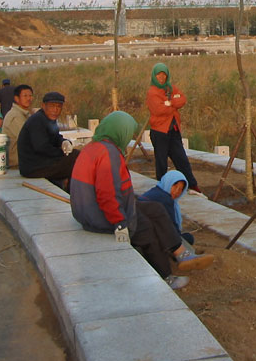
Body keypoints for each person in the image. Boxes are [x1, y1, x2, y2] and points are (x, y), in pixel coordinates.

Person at [69, 111, 213, 290]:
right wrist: (120, 223)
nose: (129, 137)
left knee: (155, 209)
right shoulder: (108, 153)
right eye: (128, 133)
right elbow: (107, 194)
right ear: (119, 131)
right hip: (99, 217)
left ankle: (181, 253)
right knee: (146, 227)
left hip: (89, 211)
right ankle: (166, 276)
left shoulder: (94, 147)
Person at [146, 63, 200, 193]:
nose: (162, 77)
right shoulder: (152, 92)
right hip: (160, 132)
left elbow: (183, 99)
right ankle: (162, 188)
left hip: (173, 130)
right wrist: (172, 105)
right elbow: (158, 110)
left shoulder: (171, 88)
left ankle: (192, 185)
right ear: (154, 76)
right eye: (159, 75)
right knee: (161, 162)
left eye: (164, 75)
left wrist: (169, 103)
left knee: (181, 159)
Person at [17, 91, 79, 188]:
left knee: (76, 156)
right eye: (52, 106)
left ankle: (70, 190)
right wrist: (62, 153)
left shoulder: (49, 119)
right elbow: (41, 147)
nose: (55, 110)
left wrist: (64, 142)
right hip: (33, 167)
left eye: (58, 106)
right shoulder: (37, 121)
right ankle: (73, 194)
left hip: (42, 162)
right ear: (43, 106)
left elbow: (55, 137)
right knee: (77, 159)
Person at [139, 170, 194, 245]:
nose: (177, 192)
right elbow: (173, 231)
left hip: (139, 233)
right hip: (152, 239)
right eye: (175, 186)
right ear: (168, 183)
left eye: (180, 189)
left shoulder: (153, 192)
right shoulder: (166, 199)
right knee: (189, 238)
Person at [1, 84, 34, 169]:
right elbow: (29, 140)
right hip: (16, 164)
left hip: (24, 160)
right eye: (25, 96)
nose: (28, 99)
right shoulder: (15, 116)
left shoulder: (24, 114)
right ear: (16, 99)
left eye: (30, 96)